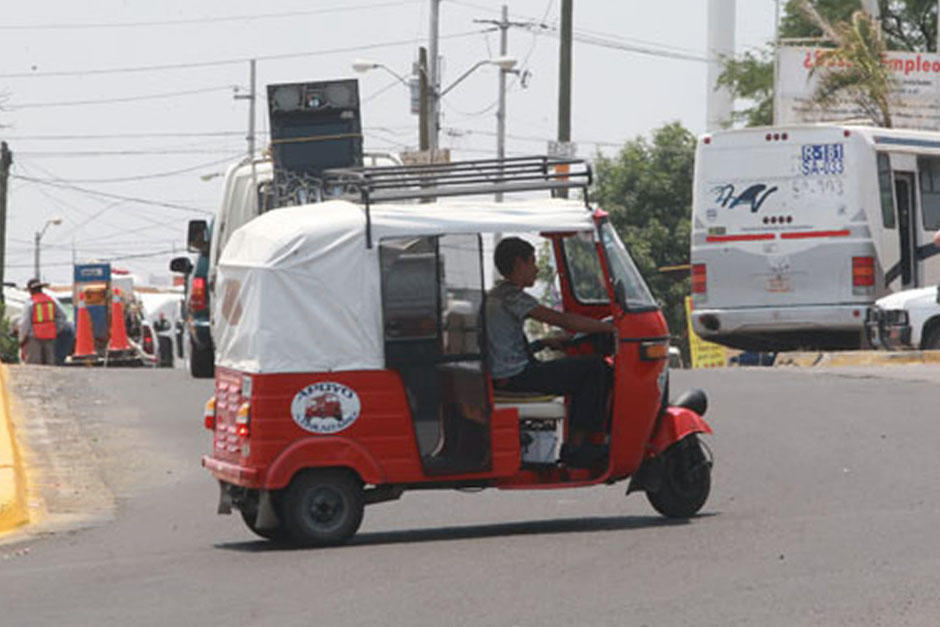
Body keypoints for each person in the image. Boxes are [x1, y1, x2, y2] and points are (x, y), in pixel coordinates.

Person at [486, 237, 617, 468]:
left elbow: (508, 341)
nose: (537, 268)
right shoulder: (512, 297)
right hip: (515, 377)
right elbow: (563, 319)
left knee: (583, 369)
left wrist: (546, 341)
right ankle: (577, 447)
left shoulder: (498, 294)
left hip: (512, 372)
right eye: (533, 261)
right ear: (519, 263)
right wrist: (610, 327)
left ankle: (580, 443)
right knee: (596, 368)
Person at [19, 278, 66, 365]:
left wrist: (21, 340)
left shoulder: (30, 303)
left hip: (33, 338)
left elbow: (25, 323)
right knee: (49, 364)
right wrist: (56, 329)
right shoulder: (52, 300)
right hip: (49, 337)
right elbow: (63, 317)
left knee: (34, 365)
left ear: (30, 290)